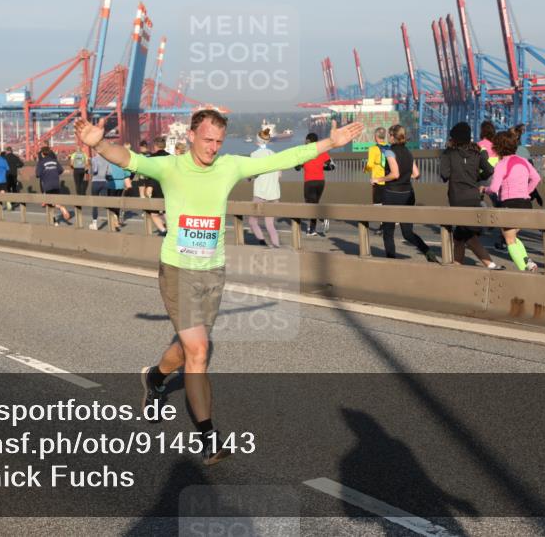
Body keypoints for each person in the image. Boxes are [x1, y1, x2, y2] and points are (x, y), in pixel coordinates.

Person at [74, 109, 362, 465]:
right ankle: (209, 437)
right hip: (178, 269)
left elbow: (287, 157)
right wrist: (99, 142)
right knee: (198, 352)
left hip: (213, 271)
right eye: (207, 140)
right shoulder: (170, 167)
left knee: (185, 350)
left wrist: (329, 143)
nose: (212, 147)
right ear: (191, 136)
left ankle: (155, 378)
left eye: (218, 142)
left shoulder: (229, 167)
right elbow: (127, 157)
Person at [439, 123, 502, 270]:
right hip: (474, 196)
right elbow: (489, 170)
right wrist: (476, 177)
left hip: (457, 197)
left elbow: (444, 174)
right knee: (460, 236)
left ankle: (490, 264)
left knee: (467, 235)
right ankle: (457, 266)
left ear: (453, 138)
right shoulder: (476, 153)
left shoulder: (449, 153)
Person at [379, 124, 438, 262]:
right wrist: (406, 176)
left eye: (389, 135)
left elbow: (394, 174)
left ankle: (391, 260)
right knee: (407, 232)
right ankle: (427, 251)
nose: (388, 137)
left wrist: (379, 179)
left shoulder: (389, 152)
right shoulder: (408, 152)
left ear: (393, 136)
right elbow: (417, 174)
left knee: (388, 231)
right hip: (407, 194)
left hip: (392, 194)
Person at [487, 131, 541, 272]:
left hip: (509, 204)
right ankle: (527, 262)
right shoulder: (523, 160)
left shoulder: (501, 164)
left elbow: (493, 188)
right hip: (525, 203)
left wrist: (484, 190)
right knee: (512, 237)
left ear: (497, 147)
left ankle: (525, 269)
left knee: (509, 240)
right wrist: (526, 192)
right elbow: (536, 178)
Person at [247, 128, 282, 248]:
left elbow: (251, 174)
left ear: (257, 142)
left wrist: (249, 178)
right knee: (270, 224)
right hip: (274, 195)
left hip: (260, 194)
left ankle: (262, 242)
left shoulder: (254, 155)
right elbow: (279, 175)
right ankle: (276, 245)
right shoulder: (274, 155)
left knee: (252, 221)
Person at [296, 132, 335, 236]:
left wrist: (300, 165)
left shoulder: (305, 152)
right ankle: (312, 230)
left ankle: (322, 218)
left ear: (308, 141)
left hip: (310, 182)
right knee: (315, 204)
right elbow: (332, 166)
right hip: (320, 182)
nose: (304, 142)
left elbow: (297, 168)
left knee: (310, 205)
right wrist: (321, 167)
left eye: (306, 140)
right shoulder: (321, 151)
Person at [363, 127, 393, 232]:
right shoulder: (390, 148)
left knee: (377, 203)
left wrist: (365, 169)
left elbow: (370, 165)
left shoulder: (373, 149)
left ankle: (383, 225)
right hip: (389, 179)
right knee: (385, 202)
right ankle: (385, 225)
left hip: (378, 180)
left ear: (376, 137)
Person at [36, 146, 73, 224]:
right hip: (56, 184)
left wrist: (44, 173)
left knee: (50, 203)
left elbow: (38, 174)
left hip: (47, 185)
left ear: (42, 154)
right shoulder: (54, 161)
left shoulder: (41, 162)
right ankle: (55, 220)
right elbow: (60, 170)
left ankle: (58, 214)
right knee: (54, 200)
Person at [144, 137, 169, 235]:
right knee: (166, 210)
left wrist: (149, 187)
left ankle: (163, 230)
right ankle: (172, 230)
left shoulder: (152, 158)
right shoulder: (171, 157)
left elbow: (151, 174)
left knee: (154, 213)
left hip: (156, 186)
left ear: (155, 146)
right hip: (169, 186)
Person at [105, 159, 132, 232]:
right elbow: (127, 174)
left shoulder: (109, 162)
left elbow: (105, 173)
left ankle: (115, 221)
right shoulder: (121, 162)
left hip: (111, 184)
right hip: (120, 184)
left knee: (111, 204)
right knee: (117, 203)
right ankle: (116, 219)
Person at [88, 149, 110, 230]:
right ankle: (112, 220)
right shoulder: (106, 160)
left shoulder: (94, 159)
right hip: (104, 182)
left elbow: (95, 170)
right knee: (106, 203)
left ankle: (94, 223)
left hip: (96, 182)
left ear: (96, 152)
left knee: (95, 203)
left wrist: (89, 169)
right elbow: (109, 173)